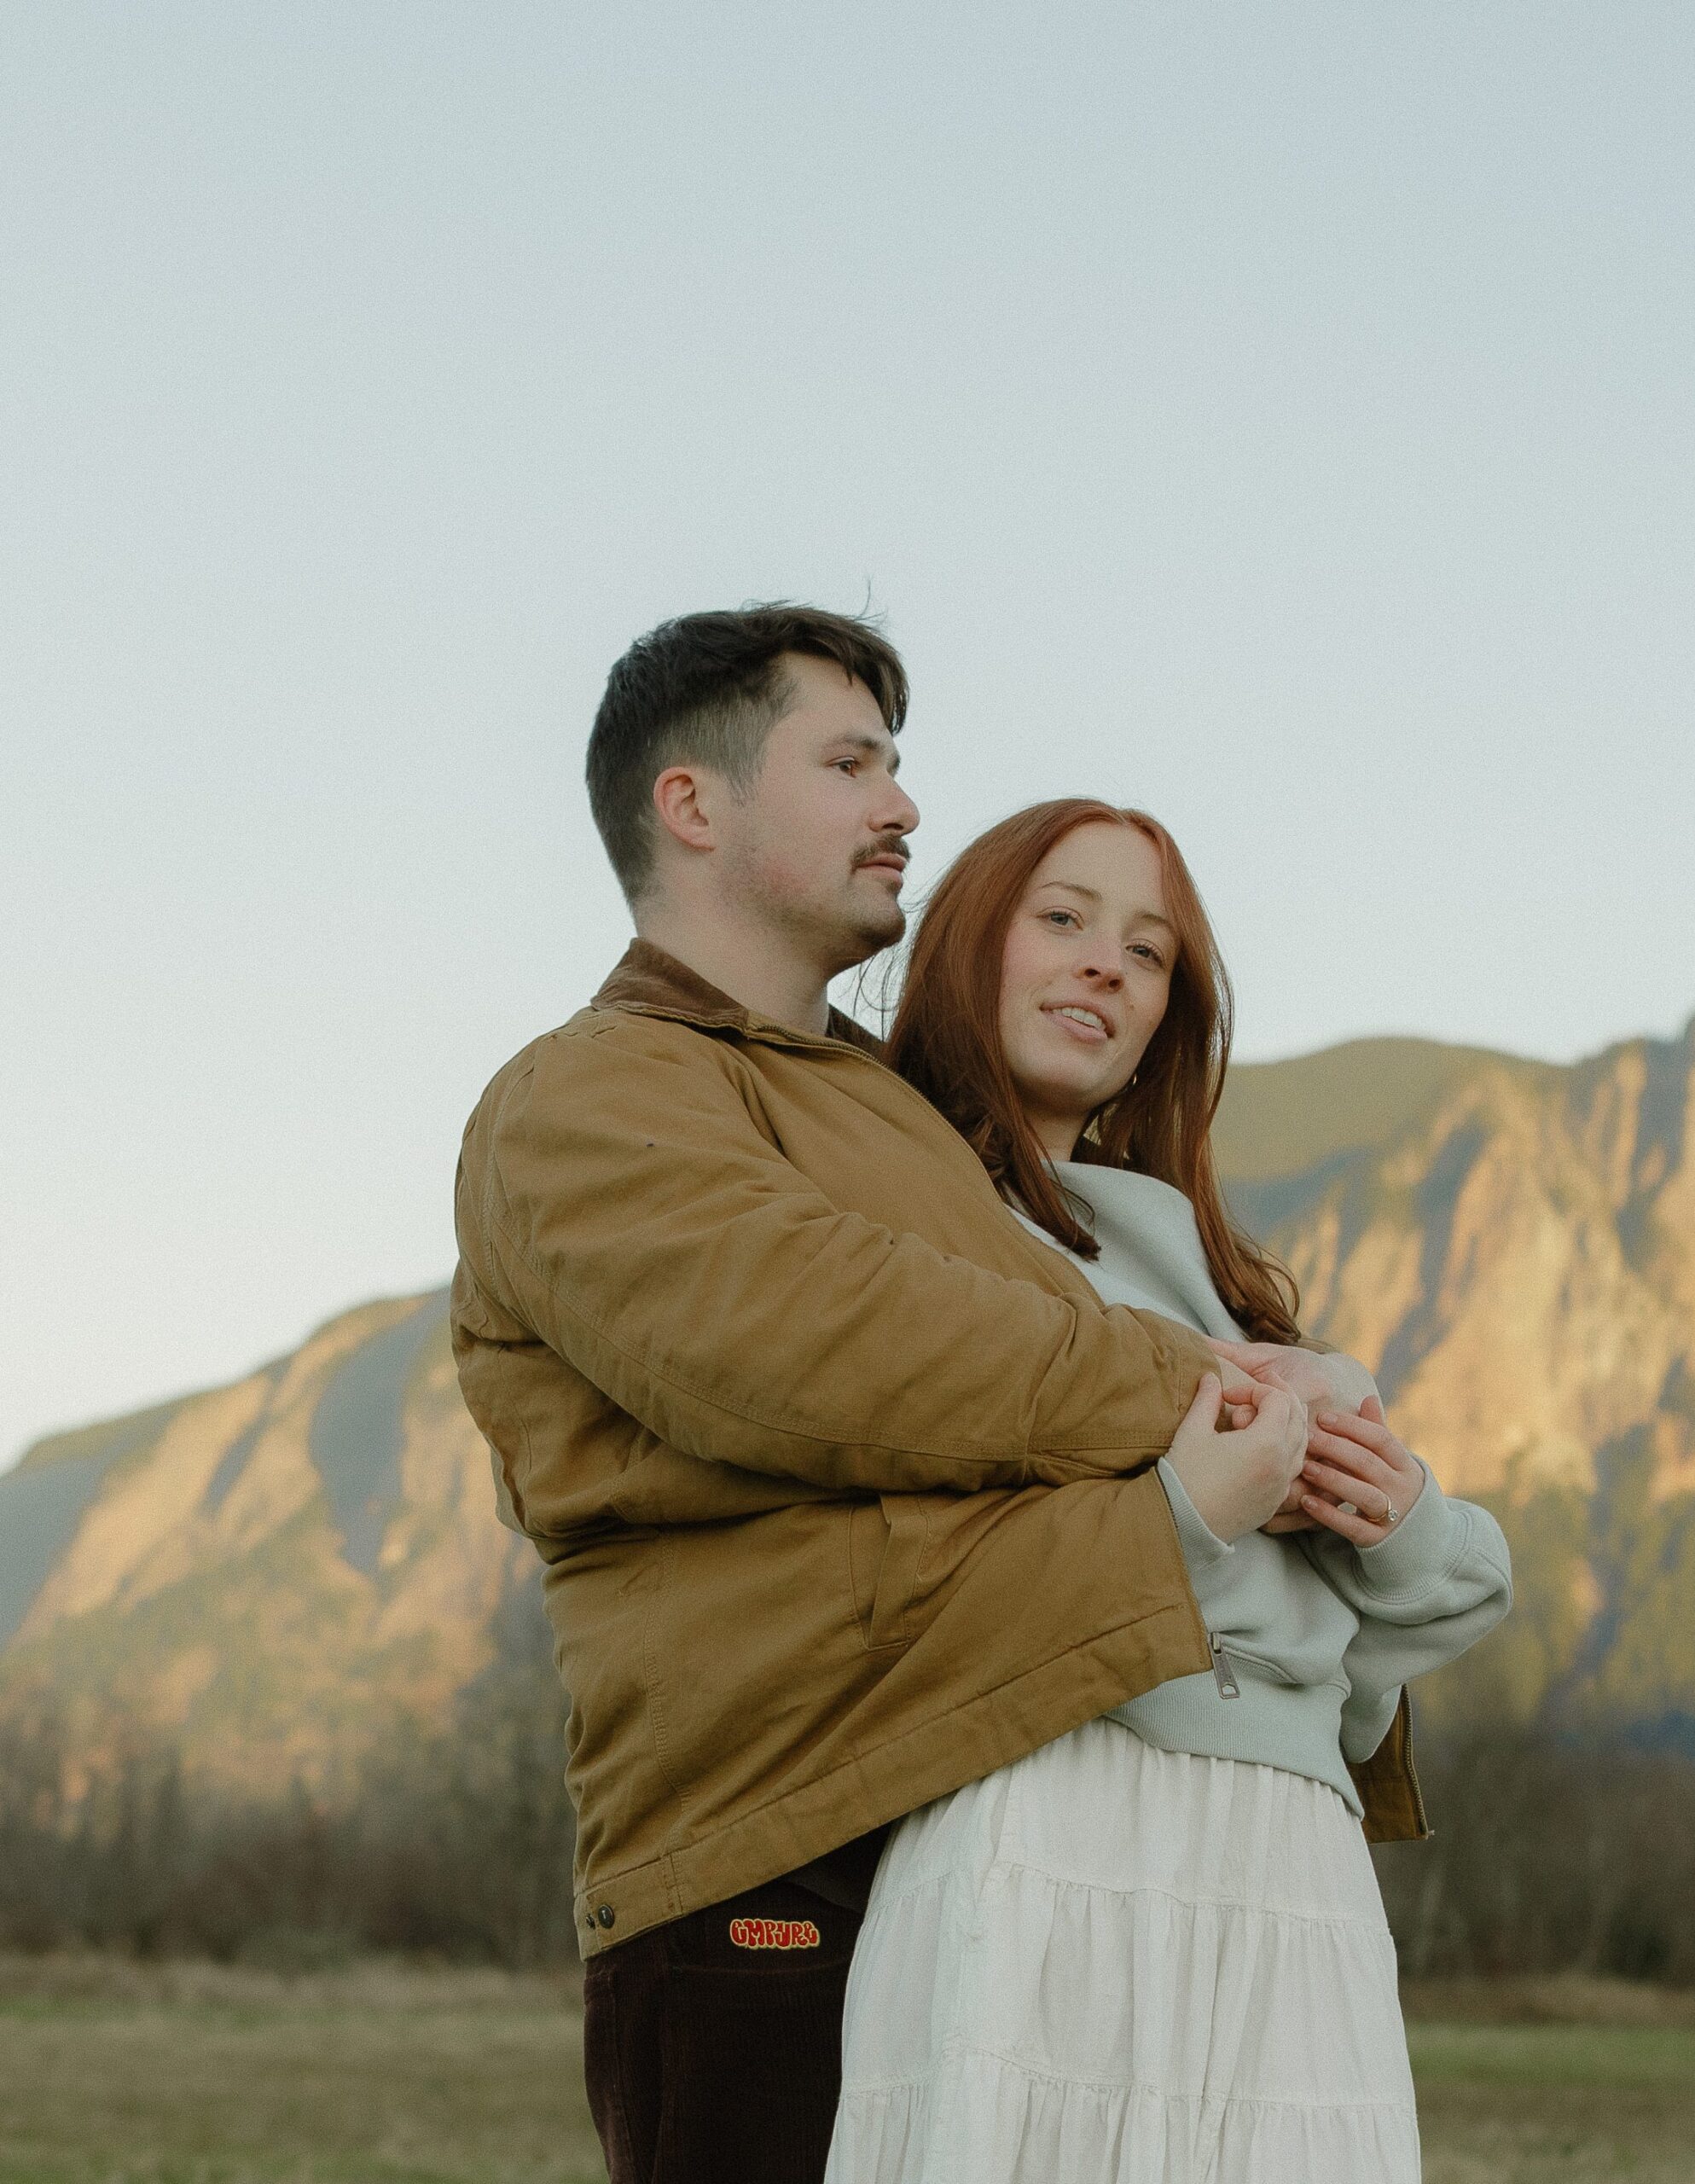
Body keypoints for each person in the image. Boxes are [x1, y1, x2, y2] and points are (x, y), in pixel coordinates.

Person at [450, 607, 1393, 2184]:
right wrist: (1191, 1396)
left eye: (900, 766)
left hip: (981, 1830)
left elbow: (1013, 1400)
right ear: (695, 804)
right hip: (773, 1852)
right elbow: (820, 1348)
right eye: (850, 762)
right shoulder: (591, 1096)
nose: (901, 806)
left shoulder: (887, 1125)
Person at [826, 799, 1513, 2184]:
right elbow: (926, 1561)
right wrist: (1218, 1500)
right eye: (1064, 920)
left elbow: (1422, 1610)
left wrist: (1394, 1508)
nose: (1104, 968)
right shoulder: (902, 1224)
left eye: (1147, 956)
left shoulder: (1210, 1268)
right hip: (1056, 1806)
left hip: (1289, 1851)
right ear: (970, 945)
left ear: (1164, 1024)